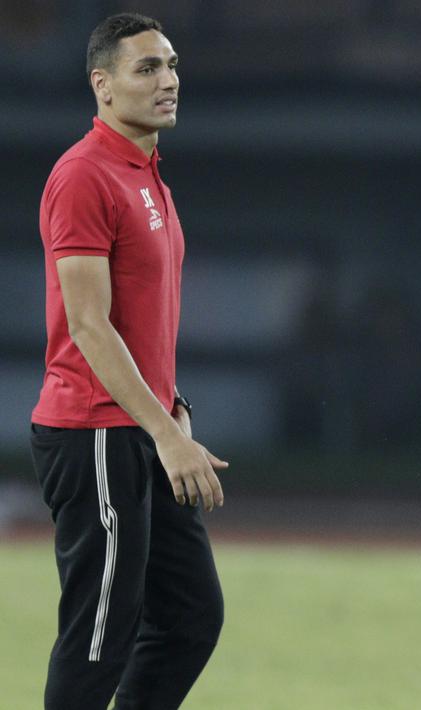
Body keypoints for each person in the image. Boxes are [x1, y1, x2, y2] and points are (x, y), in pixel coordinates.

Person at [31, 13, 228, 709]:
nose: (168, 80)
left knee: (190, 616)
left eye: (171, 64)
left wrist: (169, 413)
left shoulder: (148, 178)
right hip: (93, 432)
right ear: (103, 86)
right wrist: (168, 435)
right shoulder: (84, 176)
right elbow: (87, 325)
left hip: (140, 428)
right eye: (146, 68)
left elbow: (139, 324)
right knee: (99, 638)